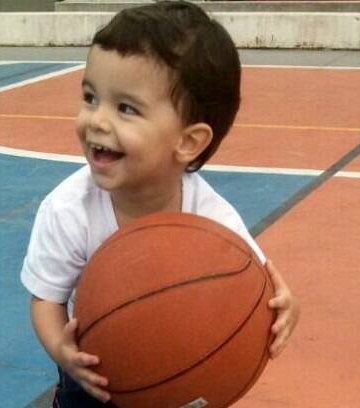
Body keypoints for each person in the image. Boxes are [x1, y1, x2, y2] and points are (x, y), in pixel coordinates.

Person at [20, 1, 300, 406]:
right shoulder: (68, 208)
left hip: (177, 369)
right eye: (90, 97)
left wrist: (286, 306)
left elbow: (258, 282)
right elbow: (46, 298)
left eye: (126, 108)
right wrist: (63, 352)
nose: (97, 121)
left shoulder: (211, 219)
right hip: (94, 373)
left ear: (188, 142)